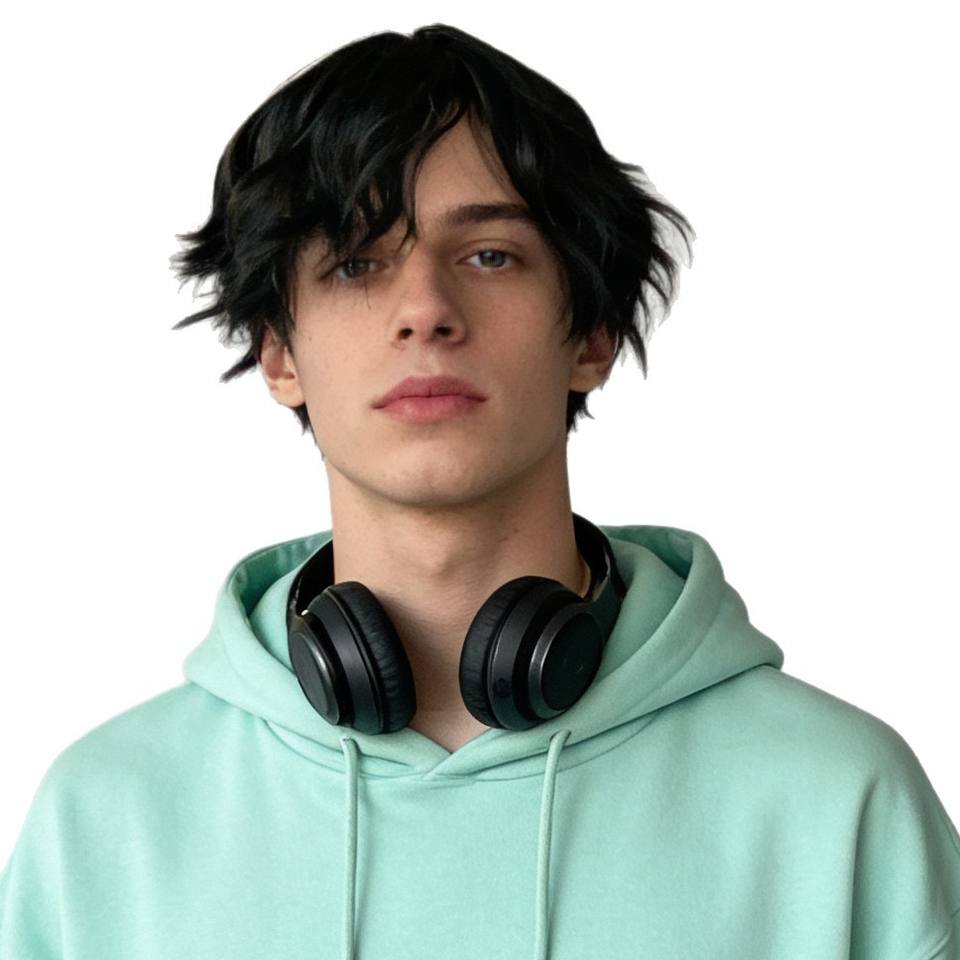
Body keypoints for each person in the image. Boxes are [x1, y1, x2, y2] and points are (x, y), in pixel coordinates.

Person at [2, 22, 958, 960]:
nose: (424, 309)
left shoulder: (839, 803)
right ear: (279, 354)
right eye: (356, 261)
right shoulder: (103, 823)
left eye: (490, 255)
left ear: (593, 337)